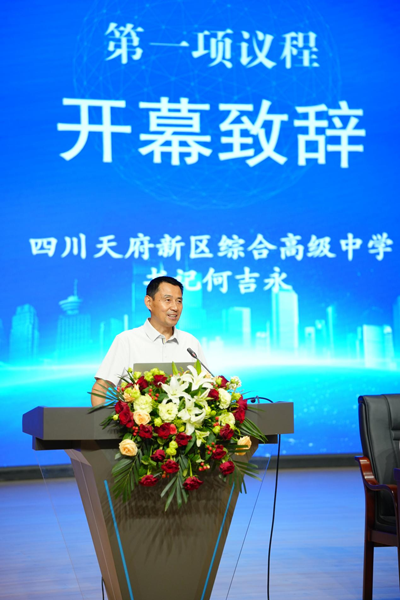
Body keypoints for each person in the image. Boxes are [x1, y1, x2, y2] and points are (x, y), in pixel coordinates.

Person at [91, 276, 208, 406]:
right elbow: (101, 388)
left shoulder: (190, 343)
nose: (175, 307)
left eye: (179, 301)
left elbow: (207, 386)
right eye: (168, 300)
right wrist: (100, 418)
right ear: (149, 302)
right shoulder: (127, 341)